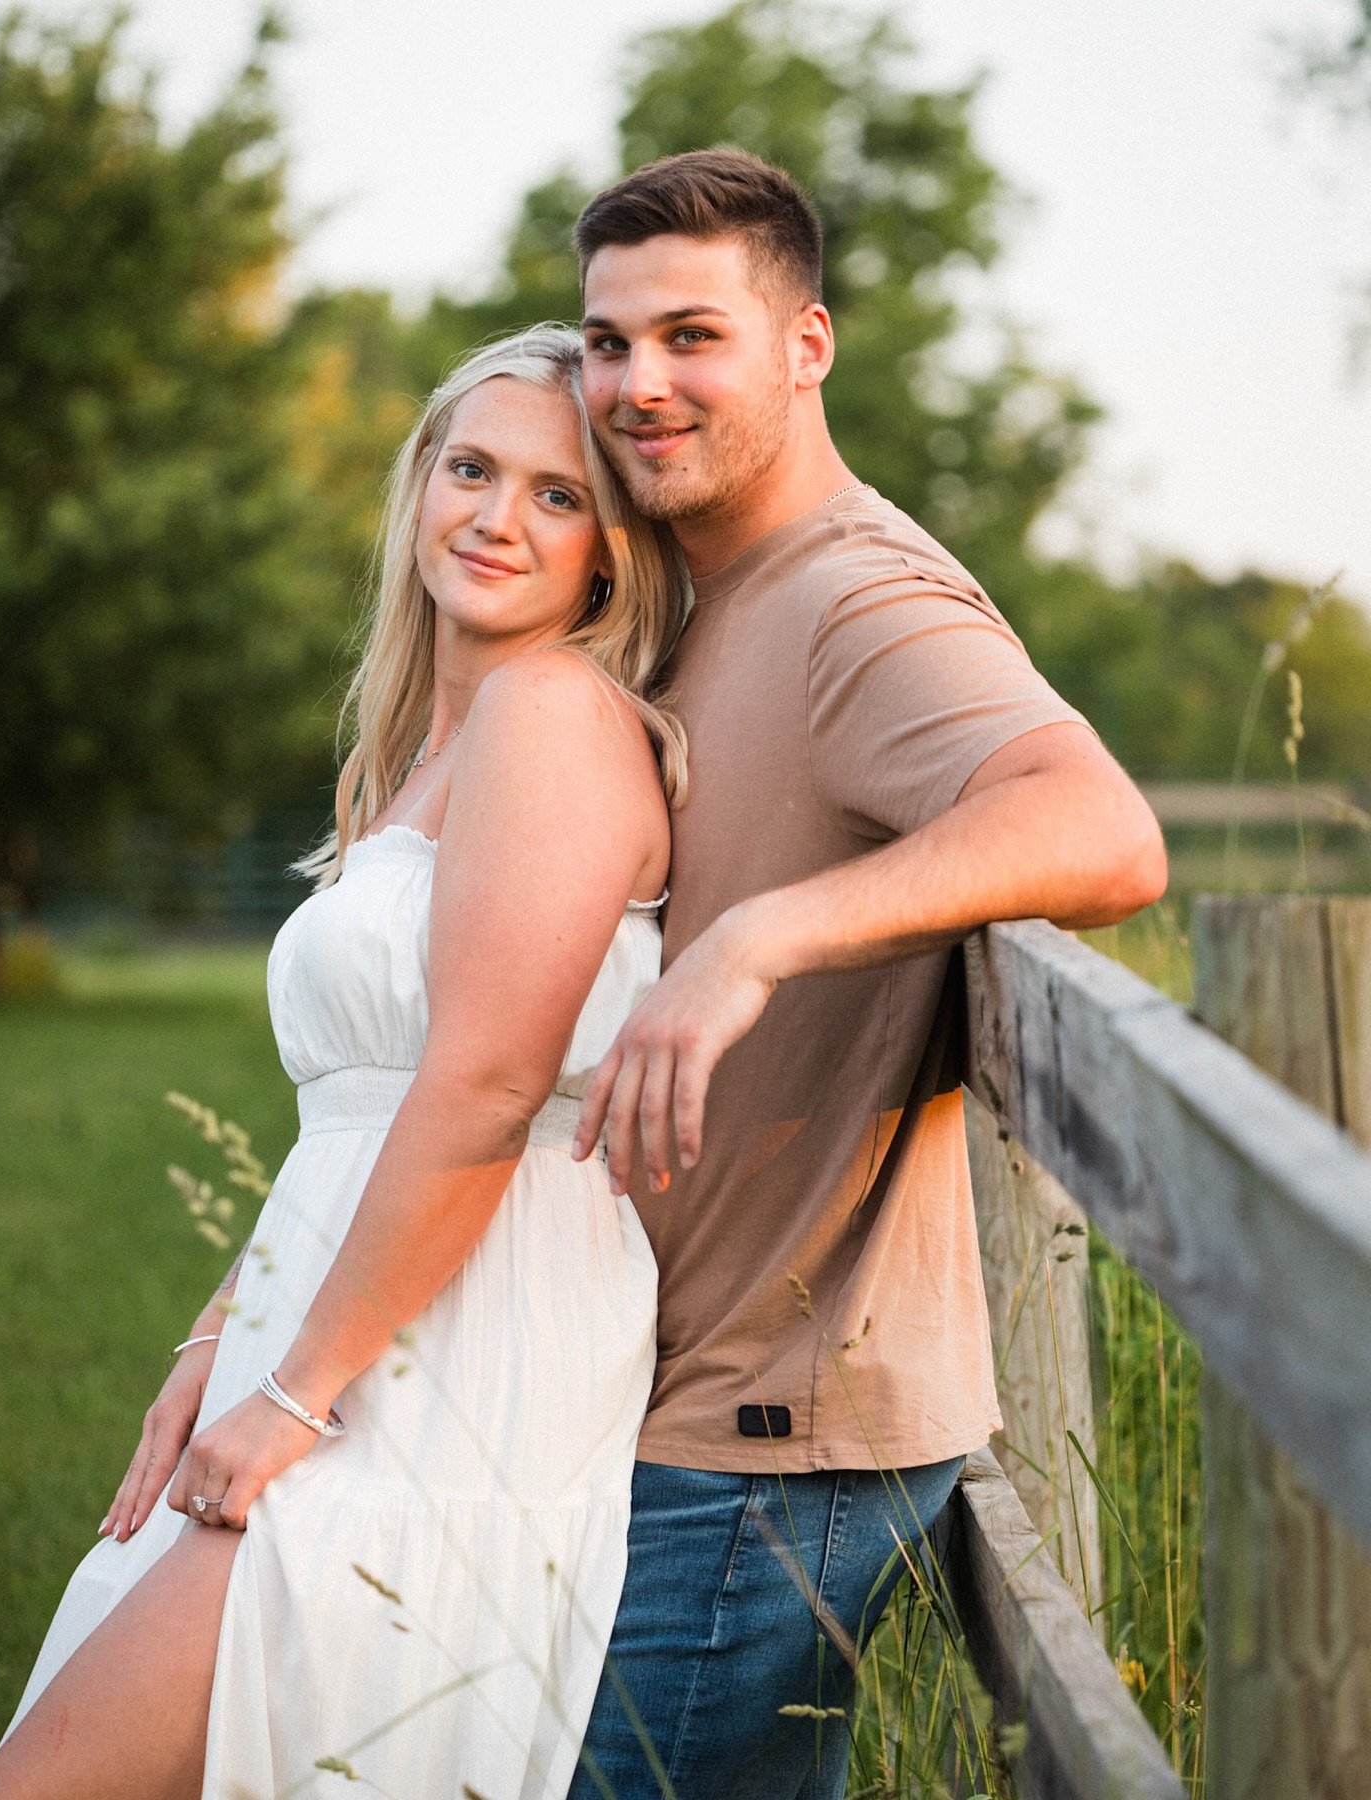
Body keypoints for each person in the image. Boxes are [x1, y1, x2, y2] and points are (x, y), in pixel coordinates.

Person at [0, 326, 690, 1800]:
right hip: (331, 1316)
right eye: (470, 468)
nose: (496, 517)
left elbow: (486, 1090)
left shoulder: (554, 717)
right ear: (417, 484)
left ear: (615, 553)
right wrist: (211, 1342)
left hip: (448, 1349)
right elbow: (353, 1116)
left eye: (558, 496)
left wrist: (296, 1395)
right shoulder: (421, 753)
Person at [563, 150, 1169, 1799]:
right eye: (609, 343)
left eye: (695, 335)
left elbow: (1101, 832)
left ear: (806, 342)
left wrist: (762, 937)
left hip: (765, 1438)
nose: (640, 383)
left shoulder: (858, 597)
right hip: (684, 1404)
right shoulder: (714, 591)